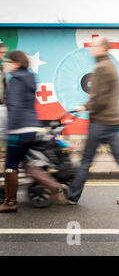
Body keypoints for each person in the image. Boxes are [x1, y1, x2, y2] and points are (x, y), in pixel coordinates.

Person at [62, 37, 119, 205]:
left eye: (94, 47)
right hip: (112, 121)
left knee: (86, 160)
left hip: (100, 122)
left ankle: (72, 194)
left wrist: (83, 107)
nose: (91, 49)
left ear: (103, 48)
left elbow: (98, 98)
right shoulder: (110, 66)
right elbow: (103, 96)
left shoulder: (102, 68)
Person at [0, 50, 65, 213]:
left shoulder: (15, 80)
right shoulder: (29, 77)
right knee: (26, 163)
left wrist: (11, 132)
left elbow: (14, 106)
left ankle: (10, 202)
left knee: (10, 166)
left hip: (18, 129)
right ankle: (53, 185)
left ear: (17, 63)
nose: (6, 64)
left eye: (9, 62)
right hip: (31, 127)